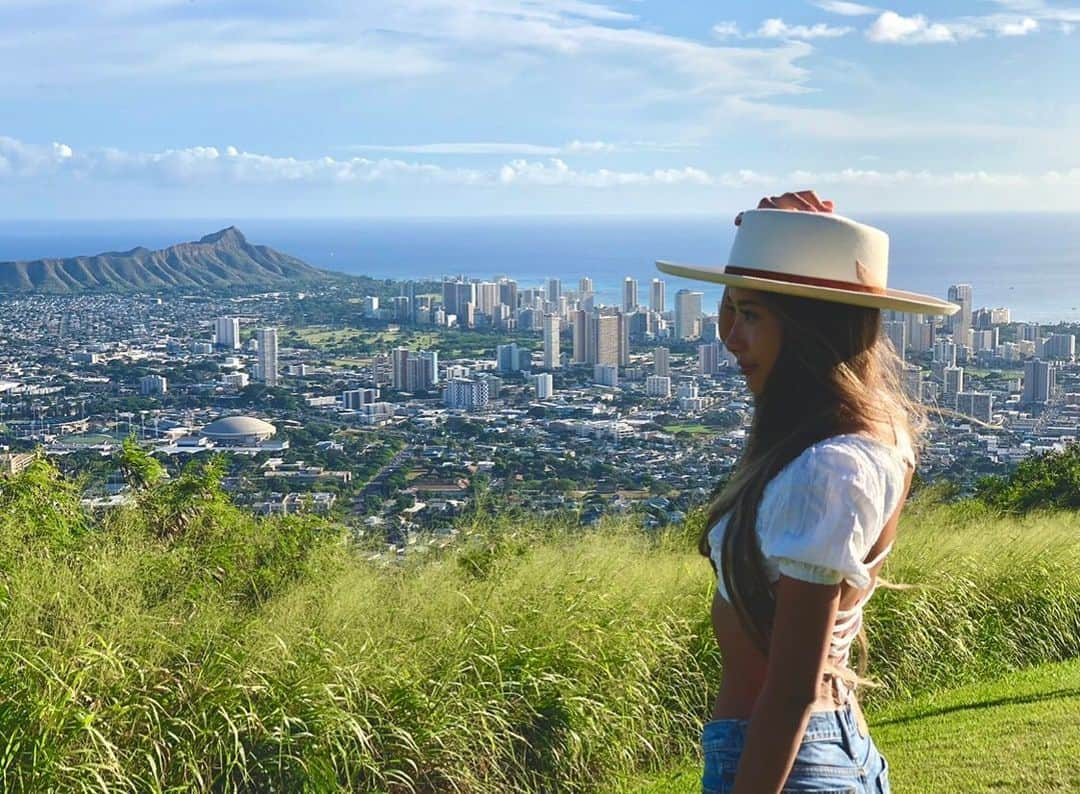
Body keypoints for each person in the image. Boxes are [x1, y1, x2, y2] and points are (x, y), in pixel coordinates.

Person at [656, 191, 959, 793]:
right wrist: (765, 242)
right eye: (733, 309)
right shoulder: (864, 429)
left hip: (787, 762)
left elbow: (791, 688)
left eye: (752, 317)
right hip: (808, 748)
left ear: (807, 330)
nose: (730, 337)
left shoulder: (830, 469)